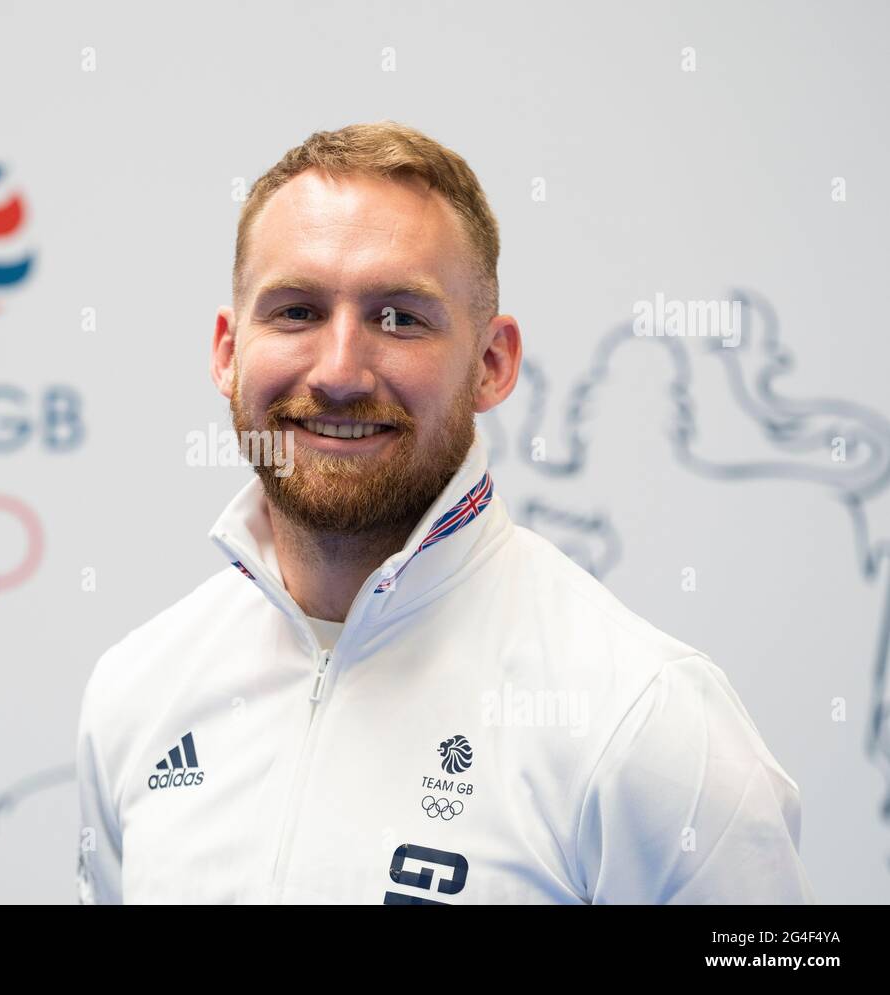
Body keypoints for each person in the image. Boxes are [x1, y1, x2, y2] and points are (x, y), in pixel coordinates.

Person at [75, 121, 816, 904]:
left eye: (399, 317)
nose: (337, 372)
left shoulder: (644, 717)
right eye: (295, 311)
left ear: (492, 364)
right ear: (228, 352)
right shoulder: (138, 690)